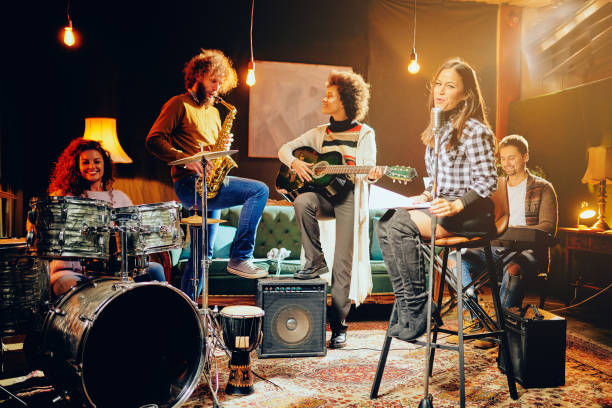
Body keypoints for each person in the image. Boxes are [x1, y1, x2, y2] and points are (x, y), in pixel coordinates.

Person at [375, 58, 498, 342]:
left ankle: (420, 308)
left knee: (398, 226)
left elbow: (488, 180)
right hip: (443, 205)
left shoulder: (476, 130)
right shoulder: (439, 128)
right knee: (384, 224)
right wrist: (426, 195)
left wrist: (457, 203)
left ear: (466, 94)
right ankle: (411, 306)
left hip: (470, 212)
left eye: (450, 85)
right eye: (438, 84)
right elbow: (437, 181)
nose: (440, 91)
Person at [146, 49, 269, 300]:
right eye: (214, 81)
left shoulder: (214, 112)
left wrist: (221, 150)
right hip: (190, 184)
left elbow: (209, 153)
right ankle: (240, 257)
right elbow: (153, 140)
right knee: (259, 190)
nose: (217, 88)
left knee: (203, 255)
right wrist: (186, 161)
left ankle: (185, 309)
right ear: (198, 76)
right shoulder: (178, 104)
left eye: (221, 83)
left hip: (208, 182)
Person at [278, 71, 383, 349]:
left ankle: (339, 326)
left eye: (330, 95)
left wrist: (371, 174)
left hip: (348, 198)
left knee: (343, 263)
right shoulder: (319, 133)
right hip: (324, 198)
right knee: (302, 201)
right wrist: (295, 164)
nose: (324, 99)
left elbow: (368, 169)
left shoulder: (364, 133)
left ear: (346, 101)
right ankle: (314, 261)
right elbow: (284, 149)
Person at [47, 138, 166, 298]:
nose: (92, 167)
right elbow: (46, 232)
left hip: (117, 270)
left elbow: (134, 237)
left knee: (155, 269)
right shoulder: (63, 196)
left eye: (97, 161)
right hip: (71, 271)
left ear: (105, 165)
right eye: (85, 162)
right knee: (69, 286)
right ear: (76, 166)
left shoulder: (120, 197)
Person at [455, 135, 558, 312]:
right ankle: (474, 316)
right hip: (496, 249)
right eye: (503, 158)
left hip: (529, 252)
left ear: (525, 157)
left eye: (512, 157)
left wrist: (514, 231)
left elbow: (547, 227)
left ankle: (502, 323)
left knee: (513, 268)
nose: (506, 163)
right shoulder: (495, 188)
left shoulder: (543, 188)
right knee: (454, 260)